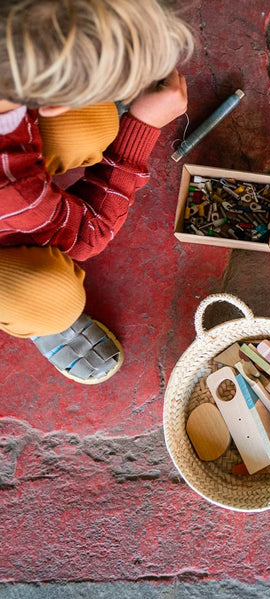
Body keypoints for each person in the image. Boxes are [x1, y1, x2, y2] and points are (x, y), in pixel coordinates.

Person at [0, 0, 194, 383]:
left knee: (88, 122)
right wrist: (140, 126)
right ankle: (30, 311)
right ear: (52, 103)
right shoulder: (17, 193)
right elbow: (88, 235)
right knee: (53, 301)